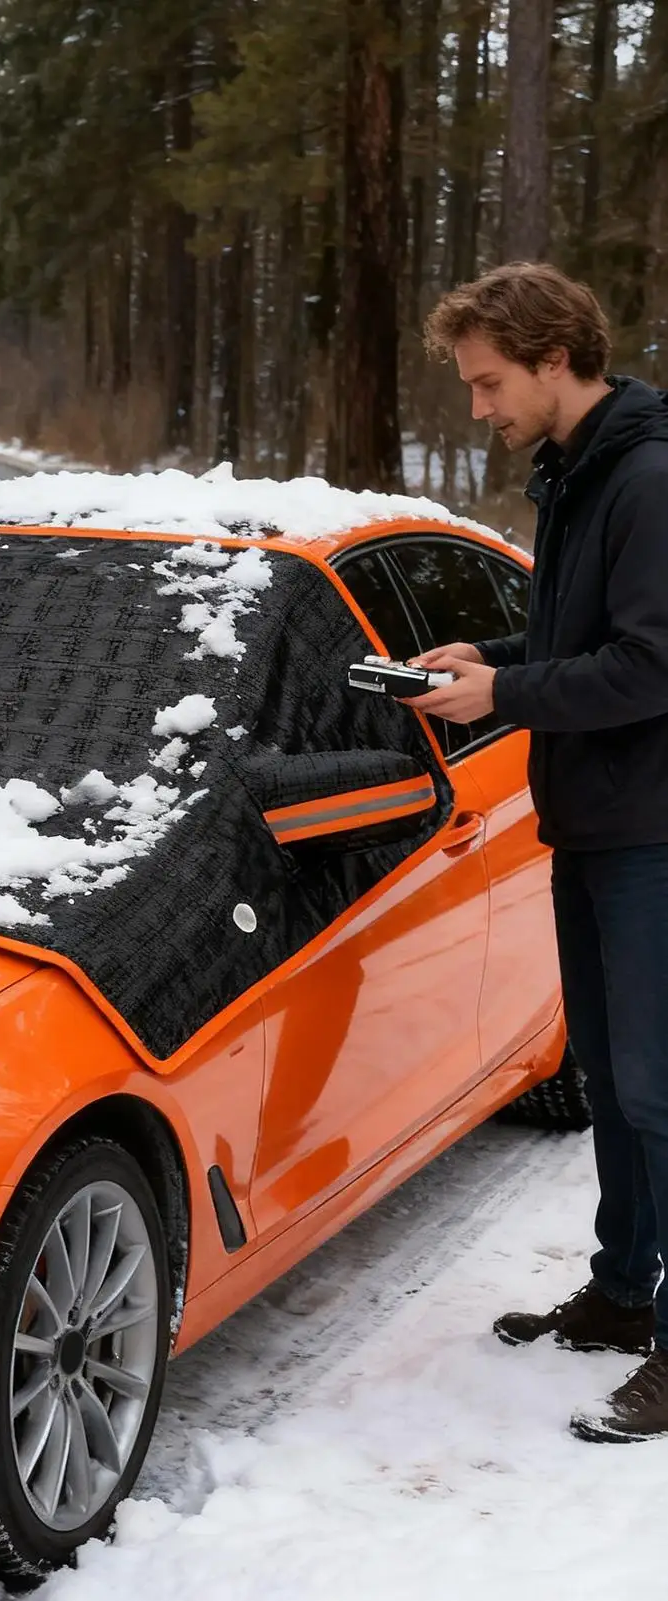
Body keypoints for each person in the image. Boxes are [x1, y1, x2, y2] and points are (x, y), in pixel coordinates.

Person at [413, 262, 668, 1444]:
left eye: (487, 382)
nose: (477, 407)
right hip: (592, 818)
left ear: (554, 356)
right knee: (615, 1083)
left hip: (652, 831)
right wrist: (495, 652)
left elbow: (650, 665)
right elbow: (587, 636)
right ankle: (623, 1293)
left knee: (658, 1091)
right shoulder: (577, 472)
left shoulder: (649, 476)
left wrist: (503, 690)